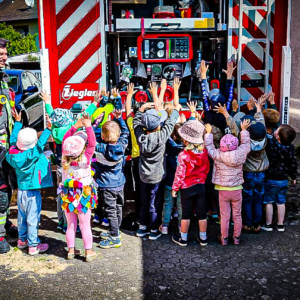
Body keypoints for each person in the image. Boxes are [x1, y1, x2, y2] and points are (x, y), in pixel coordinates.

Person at [133, 80, 181, 240]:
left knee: (144, 201)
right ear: (158, 125)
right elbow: (171, 121)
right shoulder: (162, 136)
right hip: (158, 177)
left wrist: (141, 109)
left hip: (143, 176)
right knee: (155, 203)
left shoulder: (141, 137)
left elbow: (135, 123)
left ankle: (142, 228)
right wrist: (175, 108)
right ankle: (154, 230)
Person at [6, 111, 53, 255]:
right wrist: (48, 130)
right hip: (32, 192)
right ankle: (33, 246)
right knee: (33, 218)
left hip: (20, 191)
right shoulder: (32, 155)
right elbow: (39, 146)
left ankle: (22, 240)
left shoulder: (12, 153)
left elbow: (13, 140)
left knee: (22, 217)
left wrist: (18, 123)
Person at [204, 120, 251, 245]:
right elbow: (246, 144)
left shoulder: (218, 155)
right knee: (237, 215)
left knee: (225, 216)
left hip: (223, 189)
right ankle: (236, 238)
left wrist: (208, 134)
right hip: (237, 189)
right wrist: (244, 130)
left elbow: (209, 147)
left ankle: (224, 238)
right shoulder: (240, 153)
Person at [60, 114, 97, 261]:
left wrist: (75, 125)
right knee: (85, 224)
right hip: (83, 195)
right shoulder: (85, 159)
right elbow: (93, 144)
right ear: (83, 148)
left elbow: (64, 140)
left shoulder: (64, 159)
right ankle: (88, 252)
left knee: (71, 224)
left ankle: (70, 250)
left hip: (68, 195)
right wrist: (88, 126)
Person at [94, 109, 129, 248]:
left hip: (107, 185)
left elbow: (91, 139)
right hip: (120, 183)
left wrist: (95, 123)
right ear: (119, 134)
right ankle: (116, 231)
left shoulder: (100, 149)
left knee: (111, 211)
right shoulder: (122, 144)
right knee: (118, 208)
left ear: (102, 136)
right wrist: (120, 119)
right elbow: (125, 132)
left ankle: (114, 237)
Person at [171, 119, 210, 247]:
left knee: (186, 214)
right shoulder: (204, 152)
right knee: (202, 214)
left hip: (186, 188)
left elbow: (179, 174)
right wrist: (202, 179)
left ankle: (183, 238)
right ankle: (203, 238)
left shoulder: (183, 155)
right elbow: (207, 168)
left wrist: (175, 188)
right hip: (201, 186)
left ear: (186, 140)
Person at [0, 37, 18, 253]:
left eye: (5, 52)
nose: (4, 56)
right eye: (1, 53)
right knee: (2, 191)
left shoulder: (2, 78)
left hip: (5, 140)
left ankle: (3, 224)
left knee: (7, 185)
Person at [262, 124, 298, 232]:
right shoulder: (290, 148)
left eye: (277, 130)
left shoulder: (271, 145)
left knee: (269, 201)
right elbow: (293, 163)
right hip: (283, 180)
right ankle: (280, 224)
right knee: (281, 202)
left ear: (277, 136)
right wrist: (293, 176)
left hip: (271, 179)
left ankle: (268, 225)